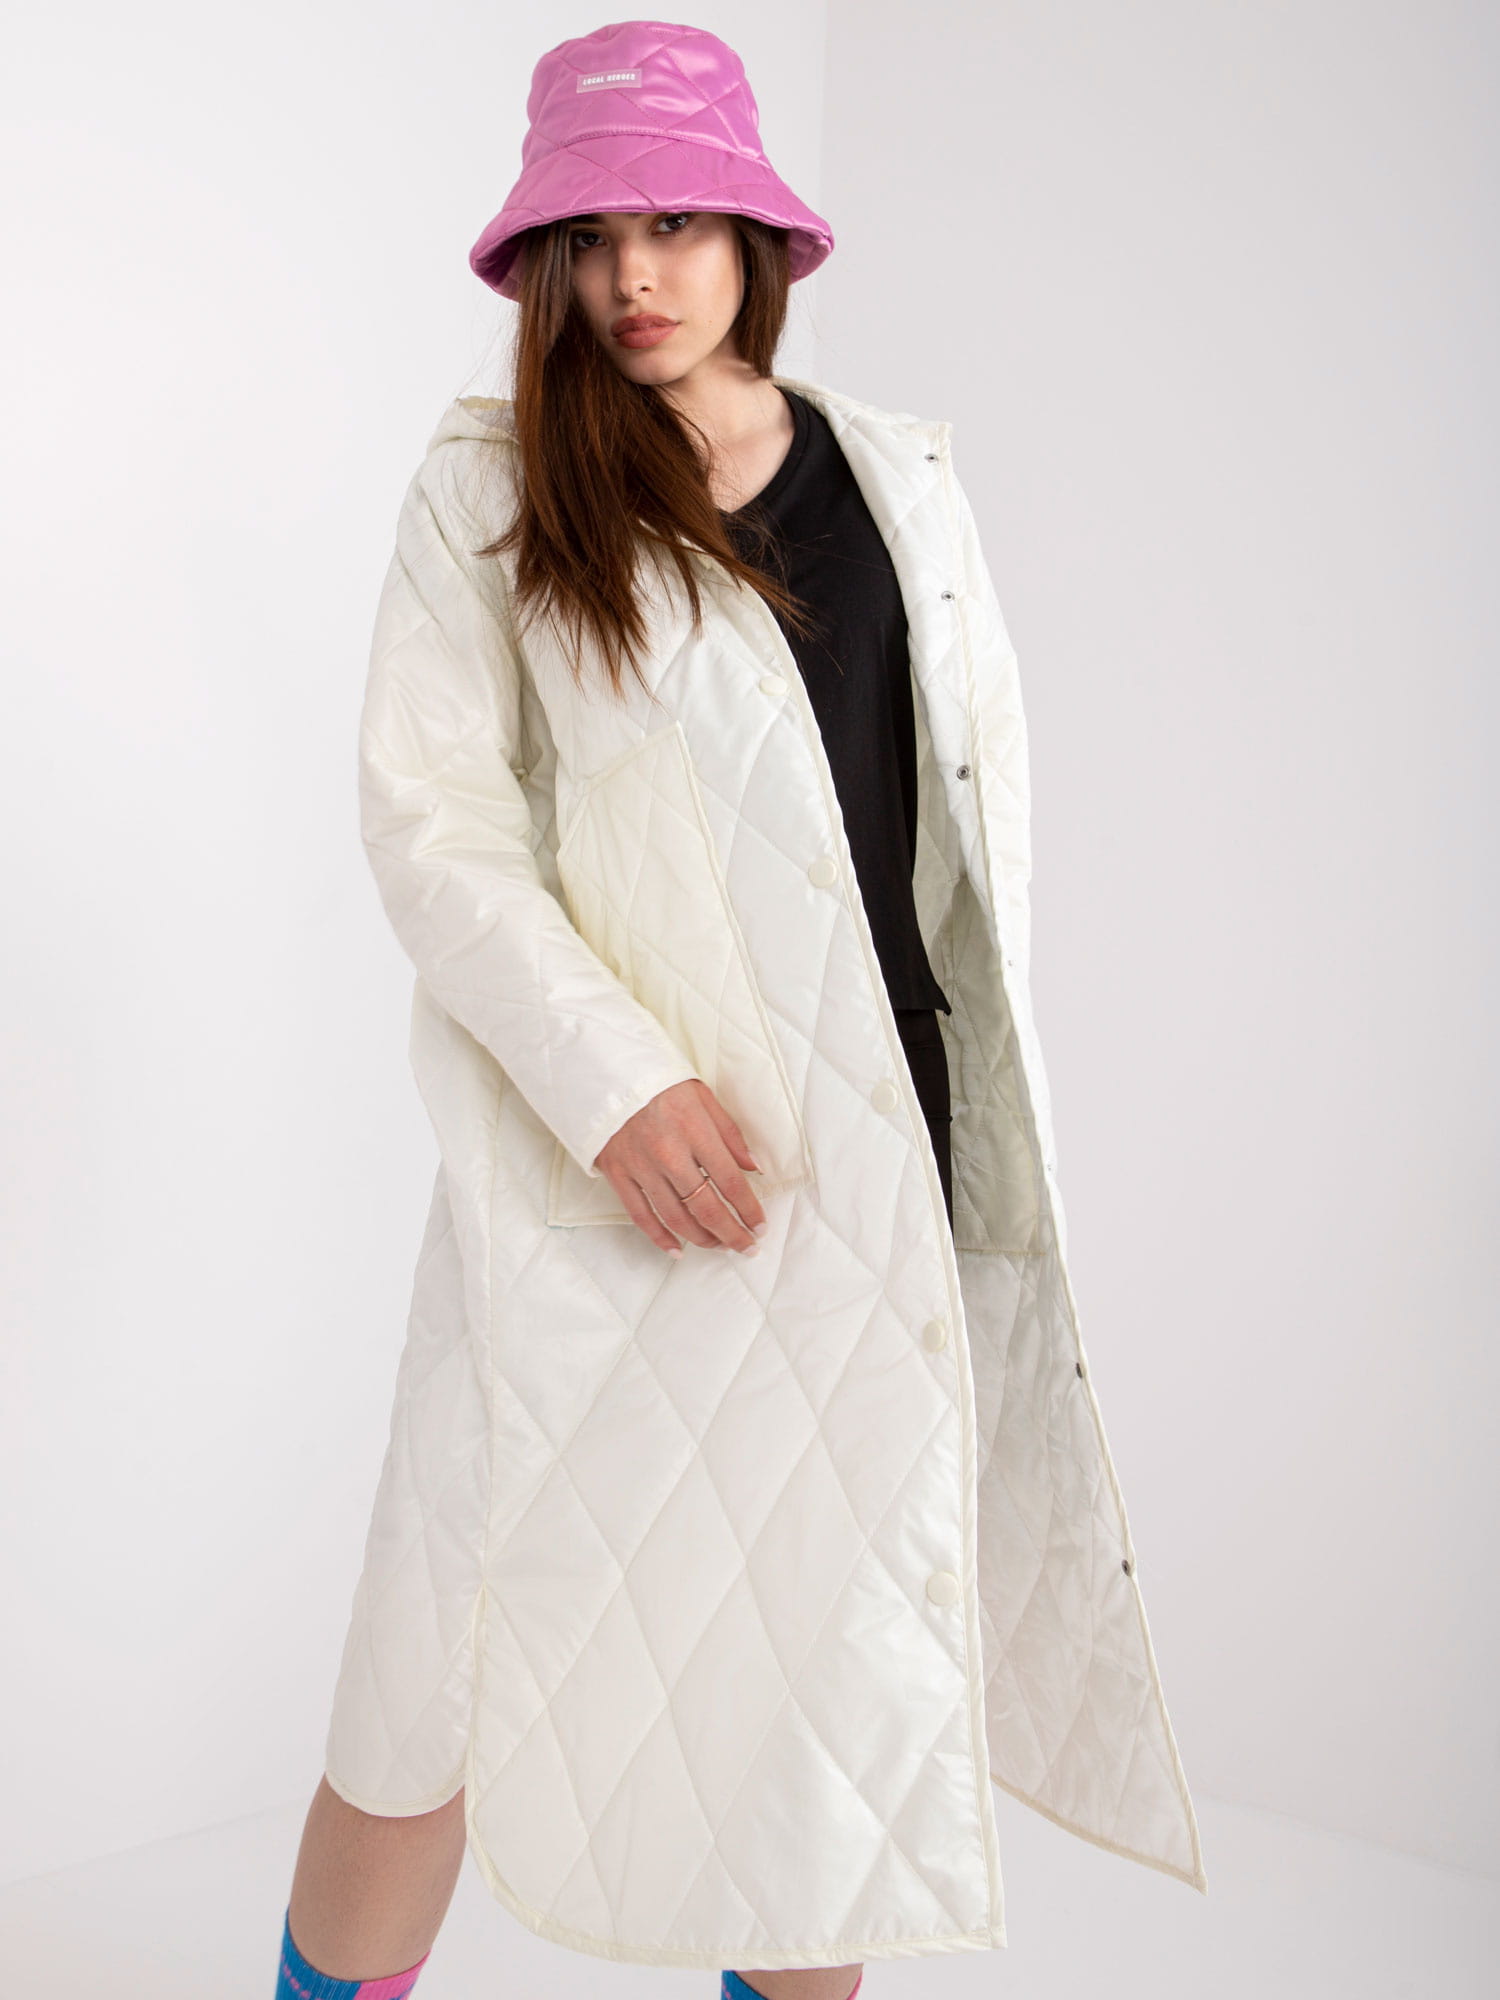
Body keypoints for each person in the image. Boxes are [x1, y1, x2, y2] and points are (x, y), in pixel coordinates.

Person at [274, 19, 1205, 2000]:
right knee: (430, 1677)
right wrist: (616, 1080)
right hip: (596, 1168)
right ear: (541, 259)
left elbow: (951, 847)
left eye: (677, 223)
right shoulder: (491, 487)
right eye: (591, 236)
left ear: (757, 237)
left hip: (859, 1181)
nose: (636, 276)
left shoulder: (902, 482)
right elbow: (435, 826)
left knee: (819, 1734)